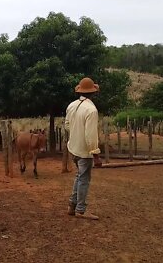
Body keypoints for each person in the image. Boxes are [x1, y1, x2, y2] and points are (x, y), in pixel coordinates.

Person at [65, 77, 102, 220]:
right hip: (84, 151)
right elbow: (91, 135)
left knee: (79, 177)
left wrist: (76, 133)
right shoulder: (91, 110)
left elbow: (67, 125)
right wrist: (96, 155)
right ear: (93, 92)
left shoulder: (72, 105)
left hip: (73, 147)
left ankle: (72, 205)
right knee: (84, 179)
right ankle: (80, 210)